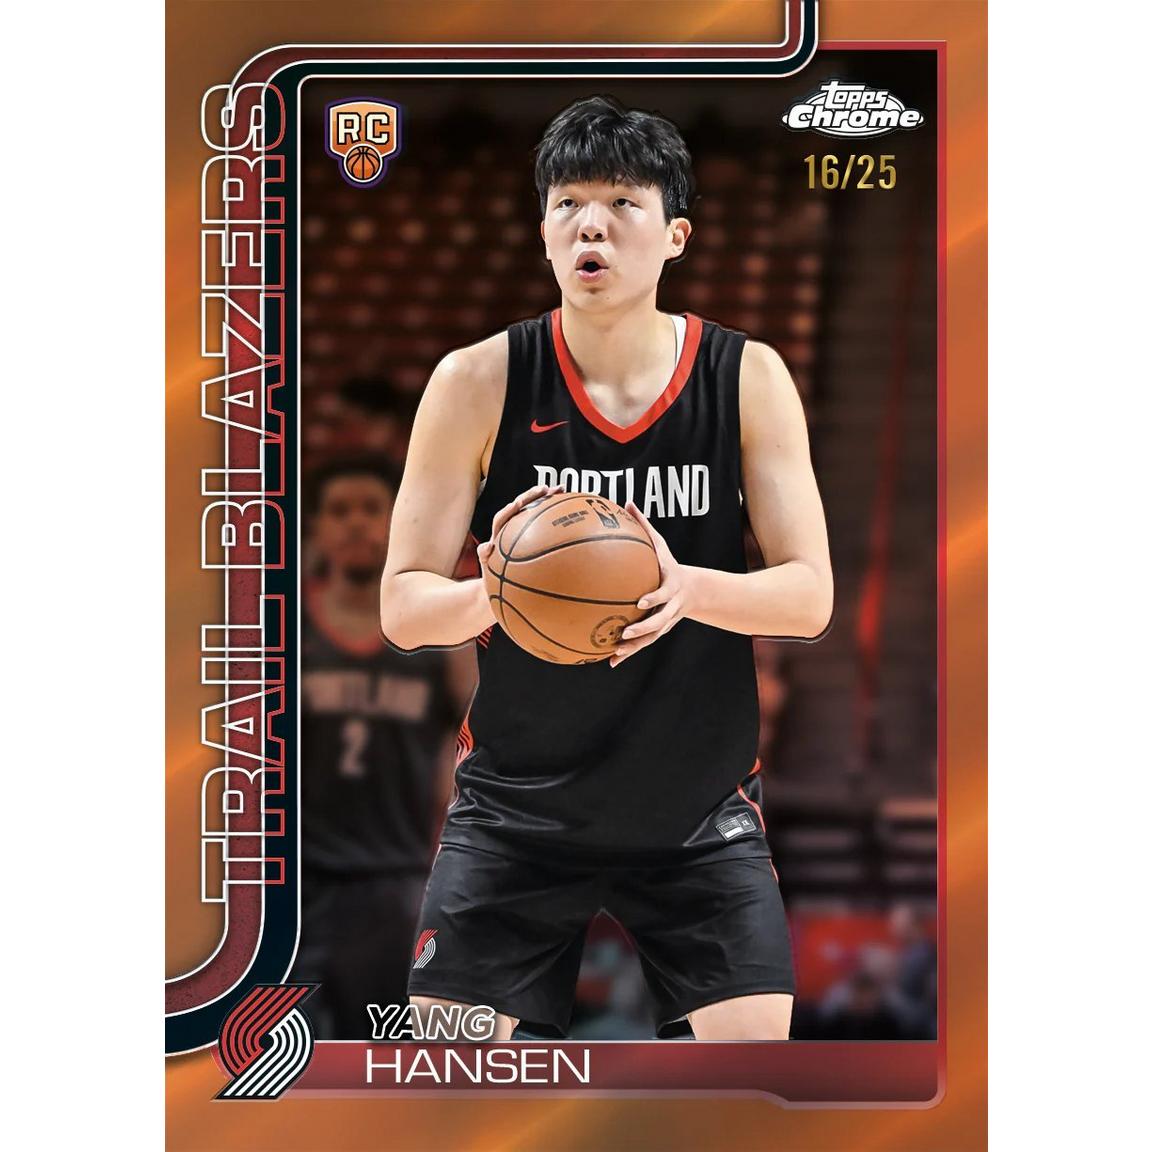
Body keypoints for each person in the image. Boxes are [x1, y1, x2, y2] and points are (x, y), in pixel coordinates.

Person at [379, 96, 833, 1041]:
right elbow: (404, 608)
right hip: (517, 810)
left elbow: (809, 596)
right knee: (448, 1087)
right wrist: (495, 594)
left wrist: (687, 588)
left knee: (753, 1089)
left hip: (696, 810)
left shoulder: (745, 376)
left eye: (623, 203)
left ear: (675, 236)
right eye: (569, 203)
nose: (592, 224)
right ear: (544, 231)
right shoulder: (476, 380)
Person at [290, 458, 474, 1038]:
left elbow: (476, 746)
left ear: (397, 522)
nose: (355, 524)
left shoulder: (437, 634)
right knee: (269, 1065)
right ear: (316, 529)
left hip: (394, 880)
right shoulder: (283, 630)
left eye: (371, 509)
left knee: (381, 1065)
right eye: (339, 511)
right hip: (290, 883)